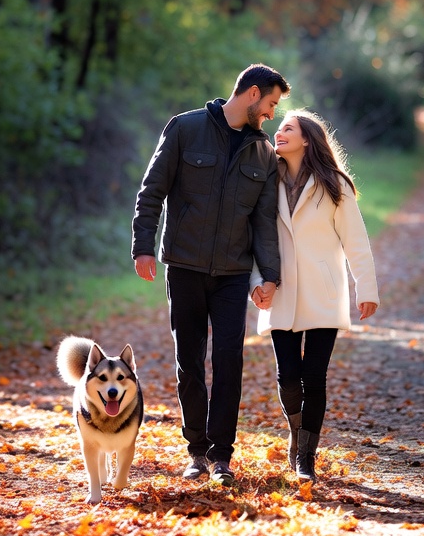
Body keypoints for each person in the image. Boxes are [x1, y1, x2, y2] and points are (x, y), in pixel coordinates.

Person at [132, 63, 291, 486]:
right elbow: (152, 190)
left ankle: (222, 457)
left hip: (233, 274)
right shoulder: (186, 128)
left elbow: (264, 221)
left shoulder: (263, 154)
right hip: (183, 265)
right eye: (272, 103)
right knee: (189, 362)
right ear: (253, 93)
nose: (273, 114)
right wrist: (143, 246)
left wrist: (269, 275)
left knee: (228, 361)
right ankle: (196, 452)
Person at [251, 109, 379, 482]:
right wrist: (258, 281)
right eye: (279, 128)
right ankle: (296, 435)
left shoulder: (334, 185)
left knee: (314, 376)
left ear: (307, 139)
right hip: (280, 291)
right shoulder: (264, 182)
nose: (279, 133)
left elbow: (356, 242)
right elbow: (255, 239)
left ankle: (306, 457)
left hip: (324, 293)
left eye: (288, 128)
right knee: (288, 377)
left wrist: (365, 288)